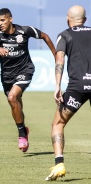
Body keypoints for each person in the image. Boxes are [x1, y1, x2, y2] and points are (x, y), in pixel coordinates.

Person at [0, 8, 56, 153]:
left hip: (25, 70)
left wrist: (57, 56)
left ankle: (21, 135)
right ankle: (24, 129)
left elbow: (45, 36)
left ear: (10, 19)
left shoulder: (24, 31)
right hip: (7, 75)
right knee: (15, 105)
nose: (0, 23)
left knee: (12, 97)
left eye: (3, 20)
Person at [45, 5, 91, 181]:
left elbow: (59, 58)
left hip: (77, 88)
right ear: (85, 20)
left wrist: (57, 85)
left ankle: (59, 165)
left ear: (67, 19)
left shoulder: (64, 35)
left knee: (58, 124)